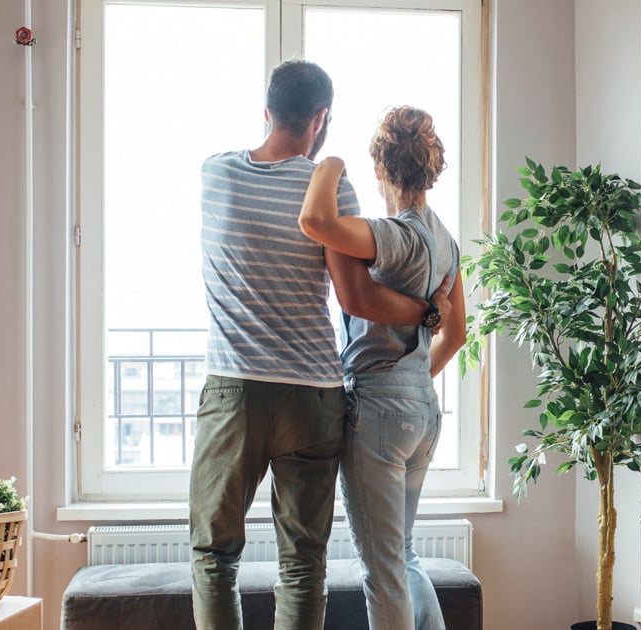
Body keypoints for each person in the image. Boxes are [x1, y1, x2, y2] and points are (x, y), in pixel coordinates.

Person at [191, 61, 451, 630]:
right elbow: (355, 295)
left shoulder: (215, 174)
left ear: (267, 112)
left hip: (235, 389)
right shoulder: (337, 193)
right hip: (313, 394)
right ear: (321, 119)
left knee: (214, 556)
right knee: (305, 563)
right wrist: (425, 312)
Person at [299, 106, 467, 630]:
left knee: (383, 570)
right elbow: (456, 333)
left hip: (378, 410)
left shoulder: (398, 234)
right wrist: (412, 380)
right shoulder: (446, 242)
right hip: (422, 410)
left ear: (380, 169)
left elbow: (318, 221)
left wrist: (328, 163)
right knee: (404, 556)